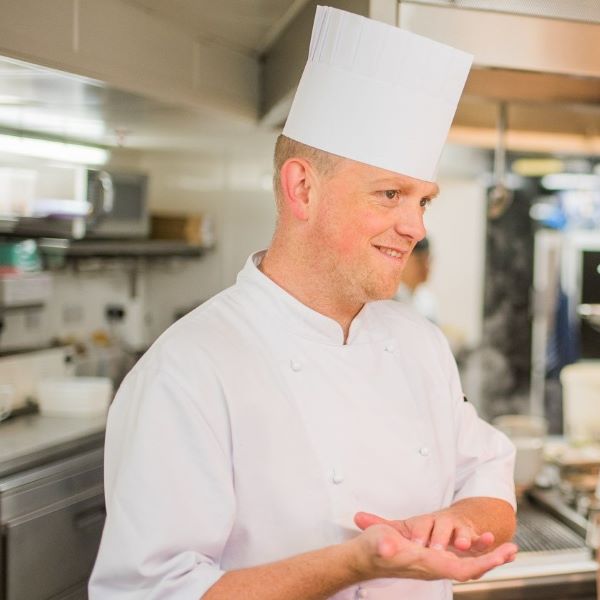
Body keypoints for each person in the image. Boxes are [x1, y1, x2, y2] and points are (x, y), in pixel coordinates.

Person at [89, 7, 517, 600]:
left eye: (423, 201)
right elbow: (150, 593)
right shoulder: (188, 370)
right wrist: (353, 565)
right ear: (302, 188)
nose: (416, 227)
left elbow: (488, 474)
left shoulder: (420, 343)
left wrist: (461, 522)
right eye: (390, 194)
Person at [393, 237, 438, 323]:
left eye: (428, 260)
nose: (426, 267)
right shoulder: (388, 298)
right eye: (419, 261)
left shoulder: (428, 299)